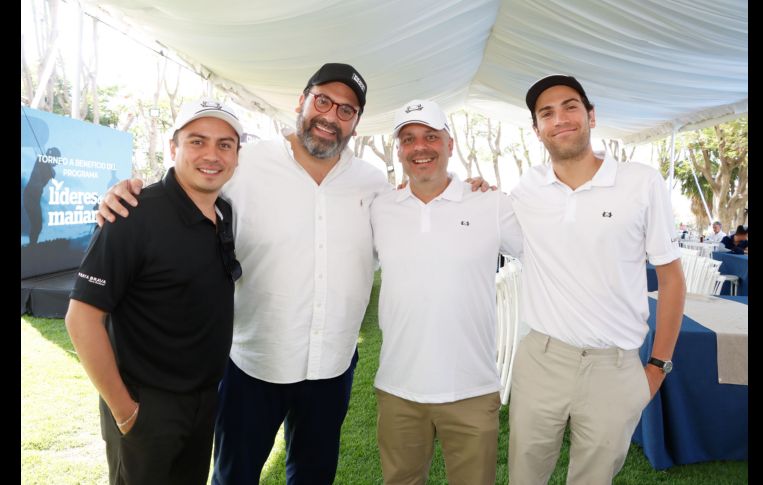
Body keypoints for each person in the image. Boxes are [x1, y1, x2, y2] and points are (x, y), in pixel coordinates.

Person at [95, 65, 490, 484]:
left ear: (355, 124)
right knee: (234, 475)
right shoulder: (246, 164)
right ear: (301, 102)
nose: (330, 116)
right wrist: (130, 193)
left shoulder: (372, 184)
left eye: (346, 110)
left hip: (332, 368)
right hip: (254, 364)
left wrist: (468, 189)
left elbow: (419, 206)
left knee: (314, 475)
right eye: (323, 101)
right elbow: (186, 189)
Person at [507, 75, 686, 485]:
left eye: (570, 106)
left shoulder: (641, 182)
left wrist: (657, 367)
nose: (560, 119)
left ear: (591, 115)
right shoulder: (526, 190)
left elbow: (672, 279)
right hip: (542, 359)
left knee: (594, 479)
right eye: (546, 113)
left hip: (614, 366)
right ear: (537, 130)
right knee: (525, 475)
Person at [64, 99, 243, 485]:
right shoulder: (130, 214)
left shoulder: (224, 212)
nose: (212, 155)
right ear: (173, 148)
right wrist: (125, 410)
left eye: (225, 144)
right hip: (147, 406)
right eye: (197, 141)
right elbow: (81, 318)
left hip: (204, 398)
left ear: (236, 156)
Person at [371, 100, 522, 485]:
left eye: (430, 137)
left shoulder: (490, 203)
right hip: (399, 388)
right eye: (408, 139)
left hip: (471, 387)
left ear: (450, 144)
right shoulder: (381, 208)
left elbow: (547, 255)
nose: (420, 147)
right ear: (399, 150)